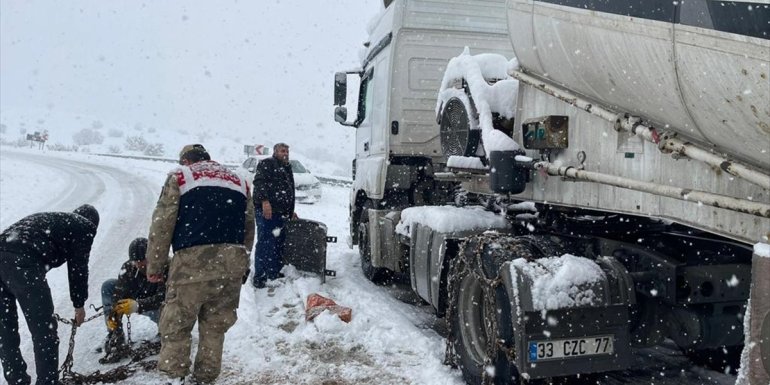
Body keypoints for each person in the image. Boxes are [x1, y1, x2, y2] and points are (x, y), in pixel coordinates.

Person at [146, 144, 254, 384]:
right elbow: (249, 228)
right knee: (215, 326)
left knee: (176, 325)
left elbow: (162, 225)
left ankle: (175, 378)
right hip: (231, 264)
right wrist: (243, 262)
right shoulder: (239, 181)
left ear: (186, 160)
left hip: (192, 265)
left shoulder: (181, 177)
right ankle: (205, 378)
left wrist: (155, 266)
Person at [0, 204, 99, 385]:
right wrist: (79, 305)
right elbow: (78, 268)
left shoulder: (60, 220)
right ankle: (48, 382)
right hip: (23, 262)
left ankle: (16, 379)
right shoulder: (84, 227)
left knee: (5, 329)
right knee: (44, 329)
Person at [99, 237, 166, 364]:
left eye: (144, 261)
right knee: (108, 286)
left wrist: (138, 305)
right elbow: (118, 295)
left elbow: (164, 296)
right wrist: (114, 316)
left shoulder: (163, 266)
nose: (140, 265)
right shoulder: (128, 268)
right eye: (137, 262)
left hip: (158, 308)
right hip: (136, 300)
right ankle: (115, 336)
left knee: (169, 308)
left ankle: (166, 333)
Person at [252, 142, 297, 289]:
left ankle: (274, 272)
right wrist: (265, 202)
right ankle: (260, 276)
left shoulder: (286, 167)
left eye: (287, 151)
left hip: (281, 213)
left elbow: (289, 189)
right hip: (268, 211)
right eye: (283, 151)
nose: (286, 154)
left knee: (278, 243)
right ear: (275, 152)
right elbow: (259, 183)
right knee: (265, 241)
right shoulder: (267, 164)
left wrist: (291, 210)